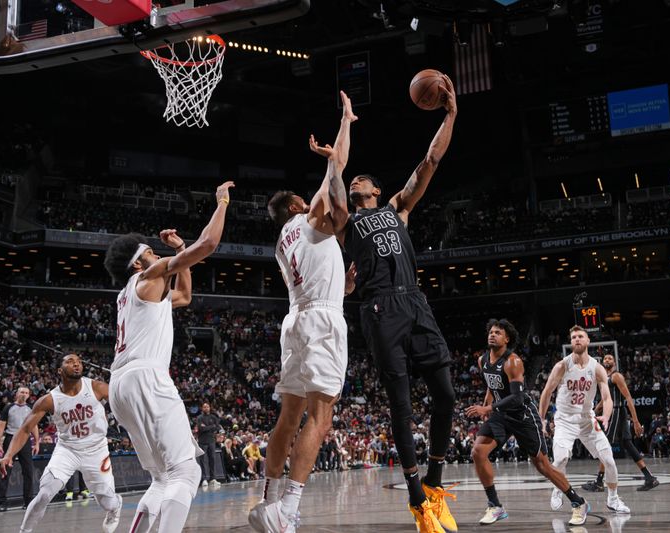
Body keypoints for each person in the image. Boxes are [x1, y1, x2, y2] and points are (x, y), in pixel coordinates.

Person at [338, 73, 458, 533]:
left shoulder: (398, 209)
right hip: (379, 309)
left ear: (375, 187)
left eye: (359, 179)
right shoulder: (347, 222)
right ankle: (415, 501)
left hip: (415, 302)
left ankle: (433, 480)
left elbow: (430, 160)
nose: (355, 180)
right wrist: (341, 139)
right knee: (402, 405)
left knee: (445, 393)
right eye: (351, 180)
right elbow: (333, 185)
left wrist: (450, 114)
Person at [248, 91, 356, 533]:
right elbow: (338, 170)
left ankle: (268, 501)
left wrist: (343, 286)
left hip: (296, 319)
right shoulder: (307, 219)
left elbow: (316, 277)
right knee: (321, 415)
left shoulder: (282, 243)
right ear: (295, 206)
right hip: (321, 320)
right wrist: (346, 122)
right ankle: (289, 509)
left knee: (288, 416)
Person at [103, 180, 233, 533]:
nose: (156, 255)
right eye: (149, 251)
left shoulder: (134, 294)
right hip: (146, 377)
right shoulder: (148, 277)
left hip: (121, 385)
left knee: (162, 480)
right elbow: (209, 245)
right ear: (137, 264)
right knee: (187, 471)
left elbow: (185, 296)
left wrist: (180, 250)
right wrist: (221, 202)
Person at [465, 319, 590, 526]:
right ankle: (495, 505)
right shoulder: (482, 360)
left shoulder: (513, 361)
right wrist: (487, 406)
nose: (492, 335)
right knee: (478, 452)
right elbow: (490, 386)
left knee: (542, 465)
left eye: (498, 333)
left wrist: (488, 408)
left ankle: (578, 502)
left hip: (522, 415)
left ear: (507, 339)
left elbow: (516, 397)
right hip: (500, 414)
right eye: (491, 332)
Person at [0, 353, 121, 533]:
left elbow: (123, 400)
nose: (76, 365)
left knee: (107, 501)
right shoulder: (50, 399)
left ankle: (115, 508)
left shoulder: (96, 387)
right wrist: (8, 455)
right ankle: (24, 531)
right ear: (60, 370)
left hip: (96, 450)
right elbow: (24, 430)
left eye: (78, 362)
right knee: (44, 494)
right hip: (67, 450)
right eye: (70, 362)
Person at [538, 326, 630, 515]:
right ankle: (557, 488)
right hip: (564, 420)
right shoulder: (562, 366)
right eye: (573, 337)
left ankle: (613, 499)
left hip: (587, 419)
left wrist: (605, 415)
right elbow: (547, 392)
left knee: (609, 461)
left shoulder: (597, 368)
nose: (577, 339)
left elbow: (606, 397)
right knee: (561, 458)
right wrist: (541, 419)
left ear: (588, 341)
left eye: (581, 336)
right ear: (571, 342)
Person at [581, 354, 659, 492]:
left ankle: (599, 482)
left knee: (605, 444)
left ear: (615, 363)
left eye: (610, 358)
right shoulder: (604, 378)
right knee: (627, 444)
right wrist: (594, 410)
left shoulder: (616, 376)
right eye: (605, 358)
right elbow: (605, 398)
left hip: (617, 411)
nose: (607, 360)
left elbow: (628, 397)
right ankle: (649, 477)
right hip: (614, 411)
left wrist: (635, 421)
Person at [0, 386, 38, 512]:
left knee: (28, 471)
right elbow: (1, 427)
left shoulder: (31, 408)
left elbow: (33, 426)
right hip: (10, 438)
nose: (24, 394)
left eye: (26, 392)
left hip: (25, 439)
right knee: (5, 471)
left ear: (29, 395)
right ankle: (2, 502)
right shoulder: (8, 407)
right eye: (21, 392)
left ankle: (28, 501)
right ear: (17, 394)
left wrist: (37, 442)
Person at [196, 402, 221, 488]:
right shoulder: (199, 418)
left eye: (207, 407)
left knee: (212, 460)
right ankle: (204, 479)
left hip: (211, 441)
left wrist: (206, 427)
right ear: (202, 408)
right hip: (202, 441)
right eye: (204, 407)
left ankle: (213, 478)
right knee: (202, 461)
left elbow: (217, 427)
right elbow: (200, 428)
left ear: (209, 408)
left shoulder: (213, 417)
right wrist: (211, 426)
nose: (206, 408)